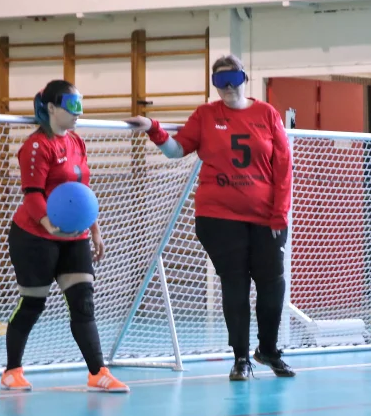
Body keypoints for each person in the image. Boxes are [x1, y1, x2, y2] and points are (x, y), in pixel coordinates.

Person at [126, 54, 295, 381]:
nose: (228, 87)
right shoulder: (205, 115)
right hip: (219, 218)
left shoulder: (267, 114)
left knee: (272, 285)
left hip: (266, 218)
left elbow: (283, 168)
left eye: (233, 79)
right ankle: (241, 358)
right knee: (235, 285)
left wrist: (280, 215)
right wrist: (153, 129)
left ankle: (269, 350)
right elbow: (178, 150)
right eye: (220, 81)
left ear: (244, 78)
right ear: (214, 84)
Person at [2, 80, 128, 392]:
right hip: (34, 237)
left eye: (80, 104)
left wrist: (94, 230)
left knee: (83, 302)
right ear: (52, 108)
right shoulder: (35, 146)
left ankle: (98, 372)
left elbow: (83, 192)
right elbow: (32, 194)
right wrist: (48, 224)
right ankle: (12, 370)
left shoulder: (77, 142)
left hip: (74, 239)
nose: (78, 113)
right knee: (32, 304)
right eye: (71, 106)